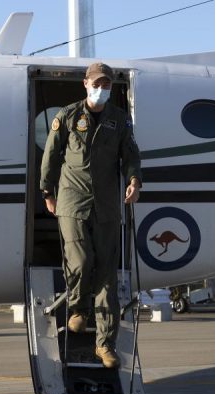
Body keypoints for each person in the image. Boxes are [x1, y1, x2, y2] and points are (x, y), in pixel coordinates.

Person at [39, 62, 142, 368]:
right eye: (97, 84)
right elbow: (51, 155)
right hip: (72, 202)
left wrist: (134, 180)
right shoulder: (68, 116)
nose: (101, 89)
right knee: (82, 262)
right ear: (85, 84)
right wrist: (47, 192)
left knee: (107, 277)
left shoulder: (119, 121)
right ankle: (78, 309)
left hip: (107, 206)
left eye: (107, 85)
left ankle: (105, 345)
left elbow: (131, 155)